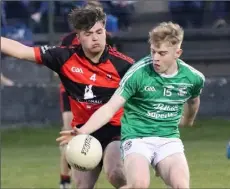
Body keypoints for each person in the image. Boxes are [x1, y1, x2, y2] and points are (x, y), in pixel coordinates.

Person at [57, 22, 205, 189]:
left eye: (162, 53)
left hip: (168, 139)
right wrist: (83, 131)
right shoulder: (138, 72)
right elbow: (110, 108)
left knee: (181, 186)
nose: (156, 58)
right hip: (137, 139)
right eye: (153, 52)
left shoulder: (193, 78)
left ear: (177, 53)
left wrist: (188, 120)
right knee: (138, 185)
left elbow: (193, 100)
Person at [1, 6, 134, 189]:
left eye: (99, 32)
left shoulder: (124, 65)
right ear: (78, 37)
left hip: (116, 130)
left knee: (116, 173)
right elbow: (22, 51)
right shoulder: (64, 57)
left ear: (105, 32)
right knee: (81, 185)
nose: (95, 38)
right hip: (81, 132)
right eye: (88, 34)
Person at [58, 26, 116, 189]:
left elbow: (112, 61)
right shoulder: (69, 40)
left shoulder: (105, 39)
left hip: (100, 94)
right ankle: (64, 179)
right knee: (69, 131)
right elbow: (59, 65)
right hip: (73, 93)